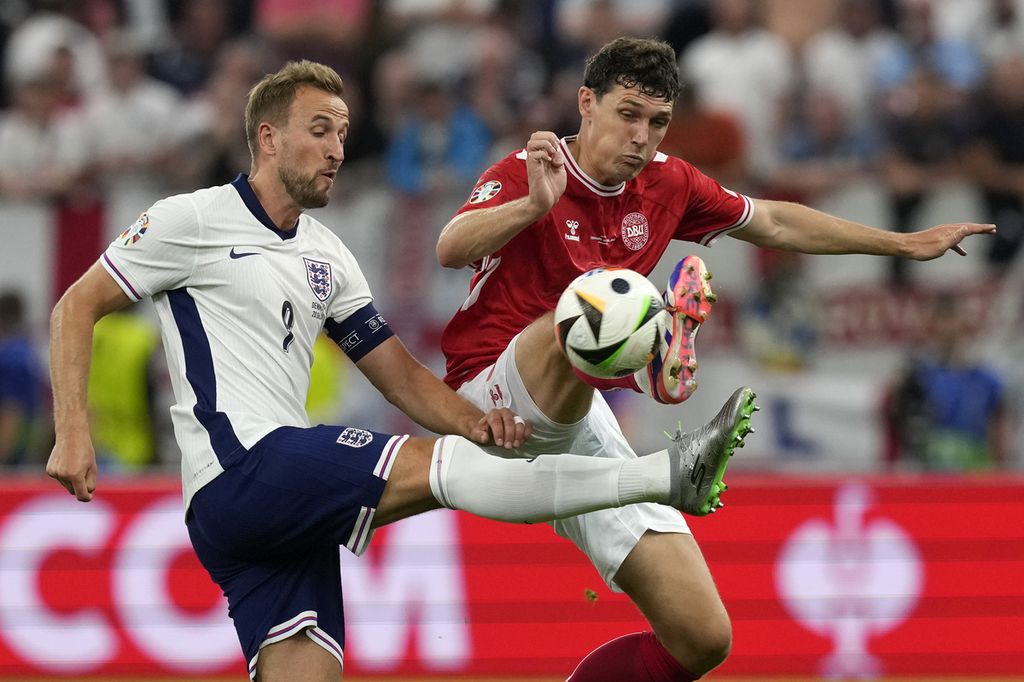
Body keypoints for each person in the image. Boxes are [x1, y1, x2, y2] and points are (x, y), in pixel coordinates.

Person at [44, 60, 757, 682]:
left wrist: (477, 420)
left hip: (279, 521)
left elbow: (399, 375)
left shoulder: (329, 255)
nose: (337, 149)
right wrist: (73, 433)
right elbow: (76, 306)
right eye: (319, 130)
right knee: (437, 470)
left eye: (344, 132)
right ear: (267, 137)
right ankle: (662, 476)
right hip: (243, 467)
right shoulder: (190, 220)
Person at [435, 36, 995, 680]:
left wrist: (901, 243)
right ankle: (646, 348)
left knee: (701, 636)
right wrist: (534, 204)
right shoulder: (531, 168)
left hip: (578, 412)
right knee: (592, 298)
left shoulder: (668, 182)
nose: (642, 137)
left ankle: (640, 341)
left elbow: (776, 223)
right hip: (490, 390)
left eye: (658, 122)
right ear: (586, 104)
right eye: (627, 115)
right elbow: (450, 247)